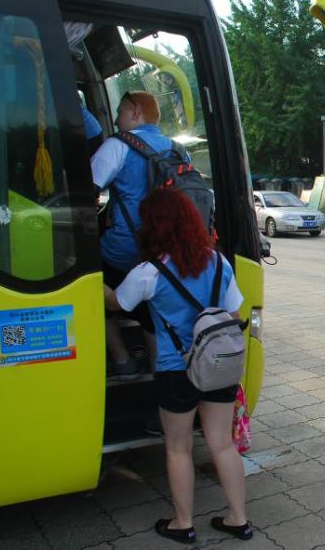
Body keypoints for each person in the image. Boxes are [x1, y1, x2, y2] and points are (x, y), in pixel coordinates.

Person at [102, 187, 250, 544]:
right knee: (222, 445)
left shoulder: (148, 272)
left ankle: (183, 523)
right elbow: (233, 314)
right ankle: (238, 519)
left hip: (176, 370)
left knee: (178, 447)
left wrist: (94, 281)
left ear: (151, 227)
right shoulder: (219, 262)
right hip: (218, 366)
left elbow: (117, 303)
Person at [92, 91, 178, 379]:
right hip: (165, 252)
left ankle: (122, 361)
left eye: (119, 112)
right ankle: (158, 372)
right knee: (152, 310)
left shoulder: (117, 145)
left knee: (89, 286)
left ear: (135, 112)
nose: (117, 120)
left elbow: (86, 190)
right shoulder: (178, 149)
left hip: (124, 251)